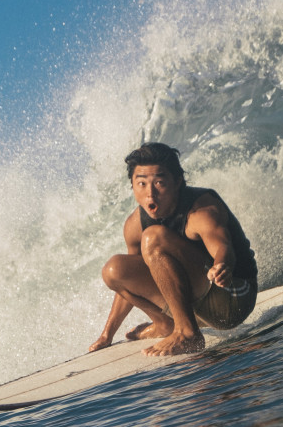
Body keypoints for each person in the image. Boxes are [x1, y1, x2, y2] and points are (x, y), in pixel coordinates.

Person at [89, 142, 258, 356]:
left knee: (154, 238)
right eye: (141, 184)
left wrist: (222, 266)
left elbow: (223, 247)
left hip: (231, 298)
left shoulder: (201, 209)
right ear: (132, 185)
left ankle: (187, 333)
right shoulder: (134, 224)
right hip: (195, 306)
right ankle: (165, 323)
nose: (150, 193)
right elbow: (132, 278)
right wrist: (107, 334)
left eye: (159, 183)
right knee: (114, 270)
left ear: (178, 182)